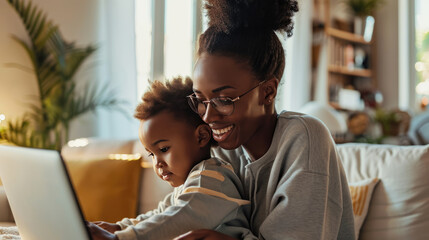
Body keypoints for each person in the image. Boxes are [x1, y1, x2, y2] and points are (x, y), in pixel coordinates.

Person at [176, 0, 356, 239]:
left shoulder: (306, 140)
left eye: (224, 99)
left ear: (268, 92)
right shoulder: (225, 150)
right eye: (200, 99)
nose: (208, 116)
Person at [87, 77, 256, 240]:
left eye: (164, 149)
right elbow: (160, 215)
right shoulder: (189, 185)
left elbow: (179, 218)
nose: (157, 163)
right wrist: (119, 227)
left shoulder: (212, 177)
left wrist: (120, 238)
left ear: (201, 137)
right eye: (152, 154)